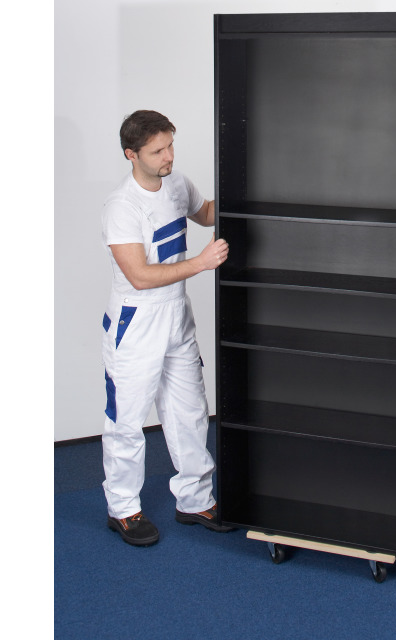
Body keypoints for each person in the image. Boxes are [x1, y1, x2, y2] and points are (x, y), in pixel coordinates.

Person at [101, 109, 231, 546]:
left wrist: (245, 187)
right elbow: (139, 275)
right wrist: (201, 263)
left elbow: (207, 212)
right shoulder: (122, 206)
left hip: (176, 314)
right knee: (127, 421)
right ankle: (123, 509)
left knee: (190, 412)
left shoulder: (176, 183)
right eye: (157, 151)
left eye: (170, 145)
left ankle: (194, 500)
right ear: (131, 154)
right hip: (136, 321)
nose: (169, 156)